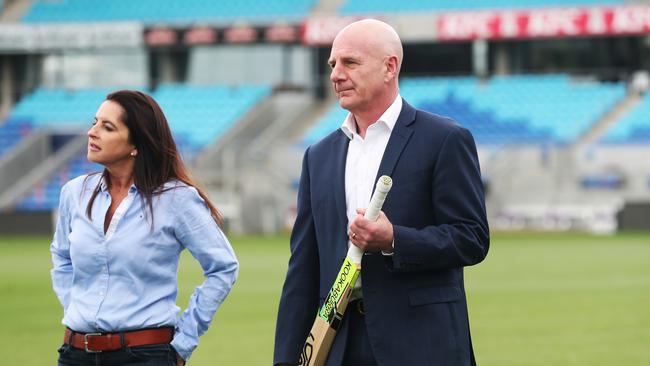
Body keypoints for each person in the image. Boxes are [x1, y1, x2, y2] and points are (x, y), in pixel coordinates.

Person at [274, 19, 489, 366]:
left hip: (421, 345)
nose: (335, 75)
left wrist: (393, 240)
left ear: (390, 67)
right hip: (339, 348)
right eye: (332, 65)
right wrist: (286, 358)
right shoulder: (318, 156)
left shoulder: (444, 139)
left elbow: (472, 238)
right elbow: (303, 267)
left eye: (350, 63)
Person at [50, 90, 239, 365]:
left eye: (107, 127)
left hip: (145, 355)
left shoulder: (177, 199)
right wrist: (76, 307)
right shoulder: (74, 193)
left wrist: (184, 342)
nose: (92, 132)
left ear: (136, 144)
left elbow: (223, 267)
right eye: (95, 122)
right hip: (75, 354)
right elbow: (62, 258)